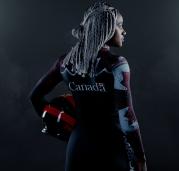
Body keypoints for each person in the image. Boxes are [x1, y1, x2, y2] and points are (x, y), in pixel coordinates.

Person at [29, 2, 147, 171]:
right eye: (119, 25)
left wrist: (60, 123)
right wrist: (141, 159)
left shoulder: (65, 63)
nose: (124, 31)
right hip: (111, 148)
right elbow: (127, 117)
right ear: (104, 28)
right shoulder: (117, 64)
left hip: (77, 146)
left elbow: (34, 97)